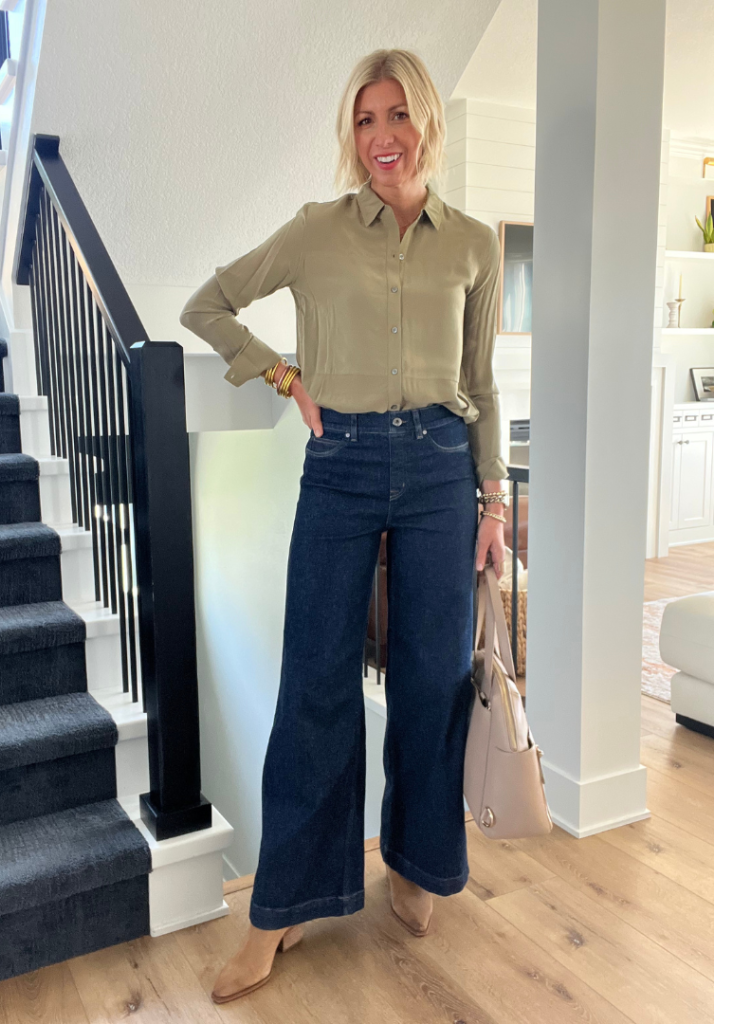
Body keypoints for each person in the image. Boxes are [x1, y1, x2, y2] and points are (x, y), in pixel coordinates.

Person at [178, 48, 509, 1004]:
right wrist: (284, 377)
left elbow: (480, 386)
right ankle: (278, 910)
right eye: (365, 121)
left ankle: (414, 861)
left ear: (427, 124)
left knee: (432, 677)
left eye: (397, 116)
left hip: (445, 469)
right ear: (350, 135)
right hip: (343, 465)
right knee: (315, 680)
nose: (382, 139)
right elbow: (211, 304)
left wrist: (494, 503)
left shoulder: (473, 245)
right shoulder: (316, 232)